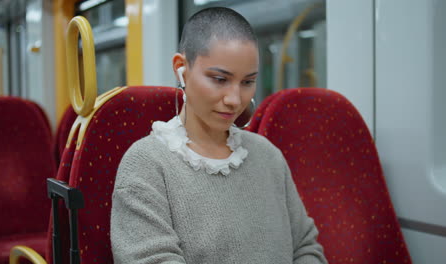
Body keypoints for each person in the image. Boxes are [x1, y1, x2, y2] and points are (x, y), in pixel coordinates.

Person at [111, 7, 327, 264]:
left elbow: (306, 249)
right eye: (219, 79)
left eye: (247, 82)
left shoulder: (268, 156)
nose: (235, 100)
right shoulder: (146, 165)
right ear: (182, 69)